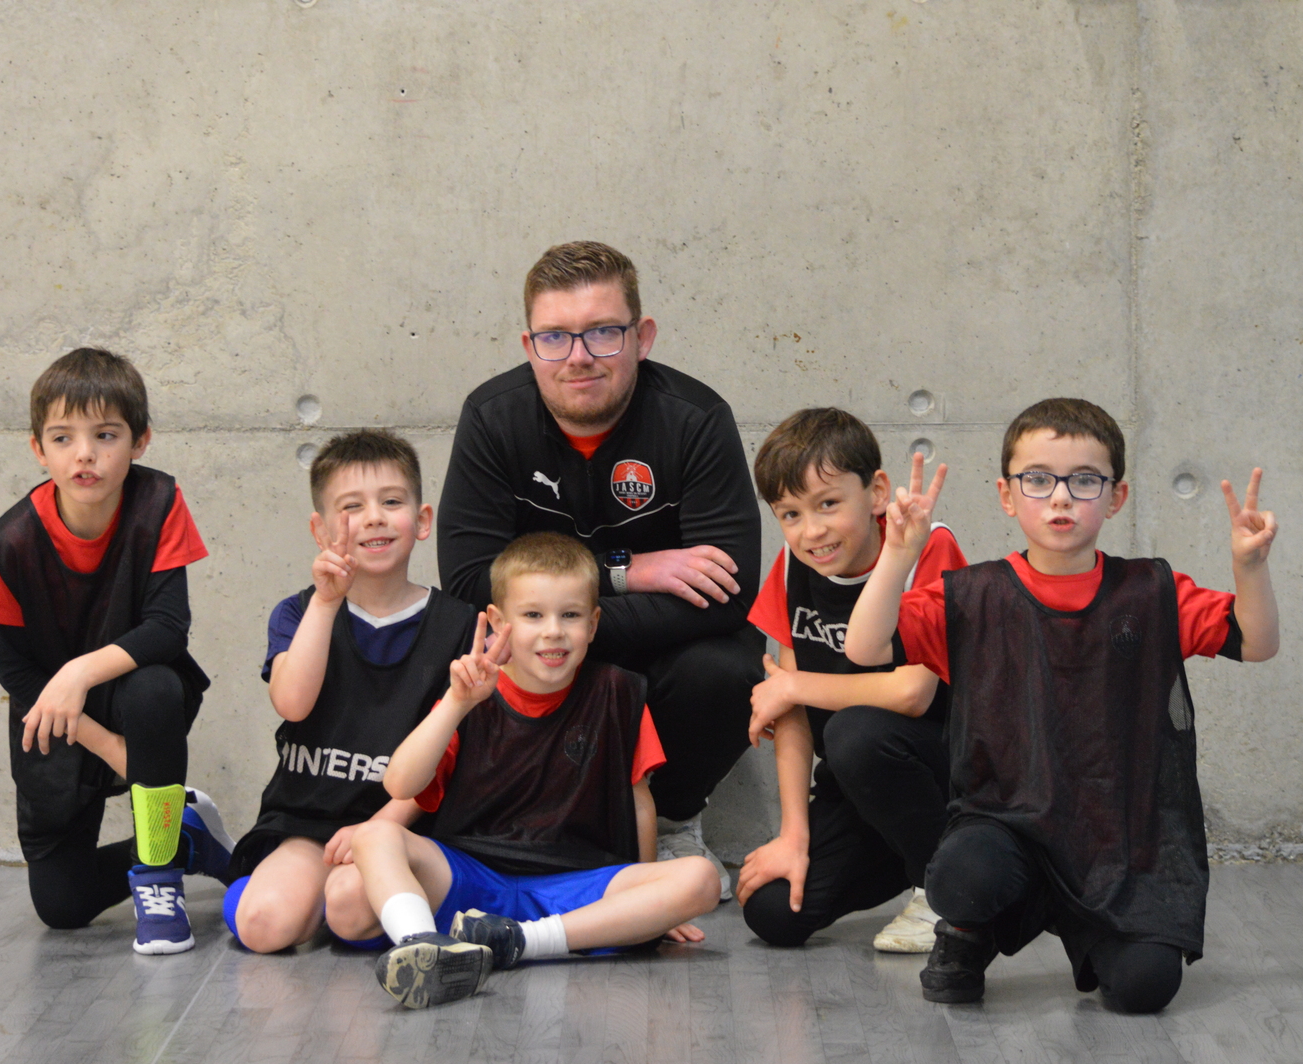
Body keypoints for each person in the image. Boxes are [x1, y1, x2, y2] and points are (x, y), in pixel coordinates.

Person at [845, 398, 1280, 1014]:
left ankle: (1096, 932)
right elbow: (864, 648)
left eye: (1084, 481)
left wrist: (1249, 567)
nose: (1060, 498)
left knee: (1143, 989)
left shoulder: (1149, 592)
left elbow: (1256, 643)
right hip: (1007, 825)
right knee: (965, 877)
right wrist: (897, 553)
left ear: (1116, 497)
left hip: (1118, 841)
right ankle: (968, 932)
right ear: (1006, 494)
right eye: (1038, 479)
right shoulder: (973, 596)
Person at [436, 241, 764, 898]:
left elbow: (730, 592)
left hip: (648, 656)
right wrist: (624, 570)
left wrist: (581, 625)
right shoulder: (492, 418)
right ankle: (516, 830)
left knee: (728, 668)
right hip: (534, 646)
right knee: (445, 642)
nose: (578, 356)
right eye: (555, 336)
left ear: (642, 337)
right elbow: (470, 583)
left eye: (603, 332)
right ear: (529, 346)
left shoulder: (696, 420)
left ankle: (670, 822)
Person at [349, 532, 722, 1009]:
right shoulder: (469, 693)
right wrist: (457, 704)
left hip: (576, 884)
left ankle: (518, 942)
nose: (553, 632)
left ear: (594, 623)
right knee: (372, 838)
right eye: (532, 615)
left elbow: (640, 803)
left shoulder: (617, 692)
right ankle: (424, 946)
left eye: (570, 615)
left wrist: (648, 904)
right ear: (497, 622)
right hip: (474, 877)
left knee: (700, 879)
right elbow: (400, 784)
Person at [0, 347, 233, 955]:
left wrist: (80, 672)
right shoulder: (11, 544)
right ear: (39, 449)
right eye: (63, 437)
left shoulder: (159, 503)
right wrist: (104, 742)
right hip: (54, 716)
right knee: (61, 906)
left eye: (105, 435)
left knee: (156, 686)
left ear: (140, 441)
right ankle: (186, 839)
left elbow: (167, 628)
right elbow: (12, 668)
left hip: (123, 692)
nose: (84, 454)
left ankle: (159, 878)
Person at [221, 430, 477, 953]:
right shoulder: (299, 611)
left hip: (401, 827)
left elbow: (451, 759)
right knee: (264, 927)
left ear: (422, 520)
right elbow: (293, 704)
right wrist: (326, 602)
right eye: (352, 507)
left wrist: (375, 828)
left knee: (349, 908)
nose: (374, 517)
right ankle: (253, 879)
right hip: (308, 819)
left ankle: (338, 905)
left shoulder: (461, 626)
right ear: (320, 530)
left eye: (391, 502)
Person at [739, 408, 966, 952]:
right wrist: (793, 835)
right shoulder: (793, 566)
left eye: (828, 504)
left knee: (856, 732)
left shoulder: (924, 546)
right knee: (774, 911)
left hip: (944, 776)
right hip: (861, 786)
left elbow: (912, 693)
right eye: (790, 514)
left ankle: (947, 893)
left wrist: (794, 686)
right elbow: (790, 715)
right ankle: (914, 858)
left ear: (877, 492)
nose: (812, 530)